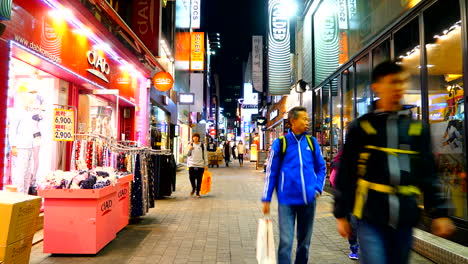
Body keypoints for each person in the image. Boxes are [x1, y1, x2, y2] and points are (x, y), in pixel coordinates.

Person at [333, 61, 455, 264]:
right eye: (392, 82)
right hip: (370, 216)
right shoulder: (361, 128)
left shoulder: (416, 129)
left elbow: (429, 172)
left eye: (401, 82)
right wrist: (341, 213)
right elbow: (346, 172)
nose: (398, 88)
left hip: (405, 218)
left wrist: (440, 212)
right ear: (377, 87)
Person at [262, 106, 327, 264]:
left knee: (304, 245)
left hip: (308, 201)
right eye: (304, 119)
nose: (307, 122)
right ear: (293, 121)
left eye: (307, 119)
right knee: (286, 243)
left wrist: (318, 188)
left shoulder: (311, 143)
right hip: (287, 202)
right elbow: (272, 172)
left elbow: (321, 168)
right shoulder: (281, 143)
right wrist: (266, 198)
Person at [329, 149, 359, 260]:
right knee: (353, 223)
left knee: (355, 223)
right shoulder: (344, 156)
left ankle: (355, 246)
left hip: (360, 196)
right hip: (350, 196)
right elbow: (335, 180)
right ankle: (354, 247)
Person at [187, 133, 208, 198]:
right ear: (192, 138)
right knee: (191, 178)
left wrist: (206, 164)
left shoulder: (202, 145)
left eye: (196, 137)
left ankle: (197, 192)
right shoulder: (190, 145)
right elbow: (188, 155)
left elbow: (205, 155)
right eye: (194, 137)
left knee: (199, 179)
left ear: (198, 138)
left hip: (200, 165)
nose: (195, 138)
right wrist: (190, 149)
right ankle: (193, 187)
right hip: (191, 164)